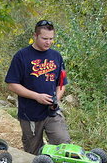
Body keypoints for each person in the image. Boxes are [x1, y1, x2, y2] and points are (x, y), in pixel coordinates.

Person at [5, 20, 71, 155]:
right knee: (32, 153)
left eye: (51, 39)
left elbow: (62, 84)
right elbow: (12, 84)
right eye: (44, 38)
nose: (48, 42)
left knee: (64, 144)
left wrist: (56, 99)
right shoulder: (22, 56)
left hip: (52, 112)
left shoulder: (56, 56)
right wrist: (36, 96)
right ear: (35, 36)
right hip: (30, 114)